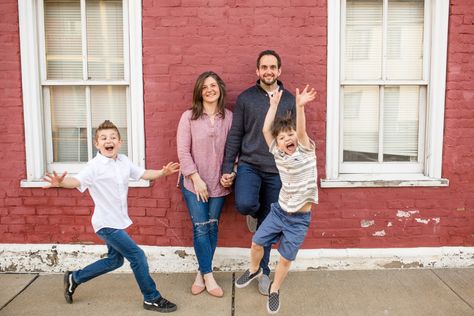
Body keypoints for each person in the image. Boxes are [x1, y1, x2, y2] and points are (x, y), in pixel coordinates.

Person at [43, 120, 179, 313]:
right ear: (97, 144)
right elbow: (77, 181)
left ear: (120, 142)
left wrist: (163, 172)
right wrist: (61, 182)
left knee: (115, 261)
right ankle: (151, 298)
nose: (109, 140)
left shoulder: (123, 161)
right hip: (106, 224)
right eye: (104, 138)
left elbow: (143, 173)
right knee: (137, 256)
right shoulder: (94, 166)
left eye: (113, 137)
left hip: (117, 221)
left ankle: (75, 277)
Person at [234, 85, 318, 314]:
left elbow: (300, 132)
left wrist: (299, 107)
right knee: (257, 242)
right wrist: (272, 106)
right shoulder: (278, 155)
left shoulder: (306, 151)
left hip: (299, 219)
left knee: (284, 259)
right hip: (279, 212)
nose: (288, 139)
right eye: (283, 137)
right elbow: (265, 131)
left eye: (290, 135)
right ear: (278, 144)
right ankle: (253, 269)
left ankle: (275, 289)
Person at [220, 50, 295, 295]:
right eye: (264, 67)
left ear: (279, 71)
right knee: (244, 204)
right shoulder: (245, 99)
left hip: (277, 170)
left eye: (273, 67)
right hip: (250, 165)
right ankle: (252, 212)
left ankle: (262, 271)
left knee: (268, 226)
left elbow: (296, 136)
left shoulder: (289, 100)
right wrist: (227, 166)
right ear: (257, 71)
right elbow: (235, 135)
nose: (268, 71)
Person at [176, 71, 233, 297]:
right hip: (194, 183)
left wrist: (232, 172)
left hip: (219, 184)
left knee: (212, 226)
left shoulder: (229, 117)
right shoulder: (188, 117)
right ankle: (209, 277)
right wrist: (195, 178)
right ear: (199, 92)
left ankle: (201, 272)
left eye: (213, 85)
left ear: (220, 87)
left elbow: (234, 150)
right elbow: (182, 151)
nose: (209, 90)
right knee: (200, 228)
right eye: (204, 87)